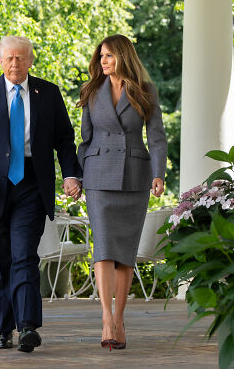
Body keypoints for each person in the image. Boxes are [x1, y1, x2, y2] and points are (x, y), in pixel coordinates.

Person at [0, 36, 83, 353]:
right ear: (0, 60)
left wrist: (70, 174)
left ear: (30, 60)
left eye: (21, 58)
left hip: (31, 184)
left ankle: (27, 327)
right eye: (9, 58)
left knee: (25, 255)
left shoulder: (48, 93)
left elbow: (65, 140)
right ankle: (4, 329)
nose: (15, 64)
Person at [76, 34, 167, 350]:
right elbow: (85, 140)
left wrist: (159, 174)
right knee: (102, 248)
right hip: (98, 175)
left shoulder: (145, 91)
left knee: (125, 252)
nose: (103, 60)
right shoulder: (90, 92)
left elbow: (156, 138)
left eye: (110, 55)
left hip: (134, 176)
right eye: (101, 55)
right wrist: (74, 176)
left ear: (124, 57)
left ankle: (120, 317)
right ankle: (106, 318)